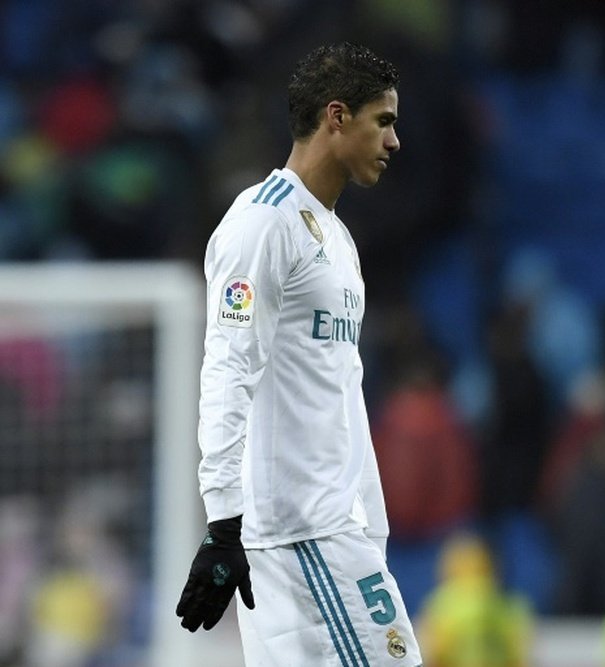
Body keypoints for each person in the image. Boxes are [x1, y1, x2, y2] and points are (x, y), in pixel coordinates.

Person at [174, 42, 423, 667]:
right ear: (336, 117)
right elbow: (227, 369)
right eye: (384, 121)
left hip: (335, 528)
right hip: (302, 533)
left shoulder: (336, 238)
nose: (394, 142)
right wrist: (222, 523)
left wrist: (371, 528)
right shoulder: (262, 224)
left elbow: (338, 390)